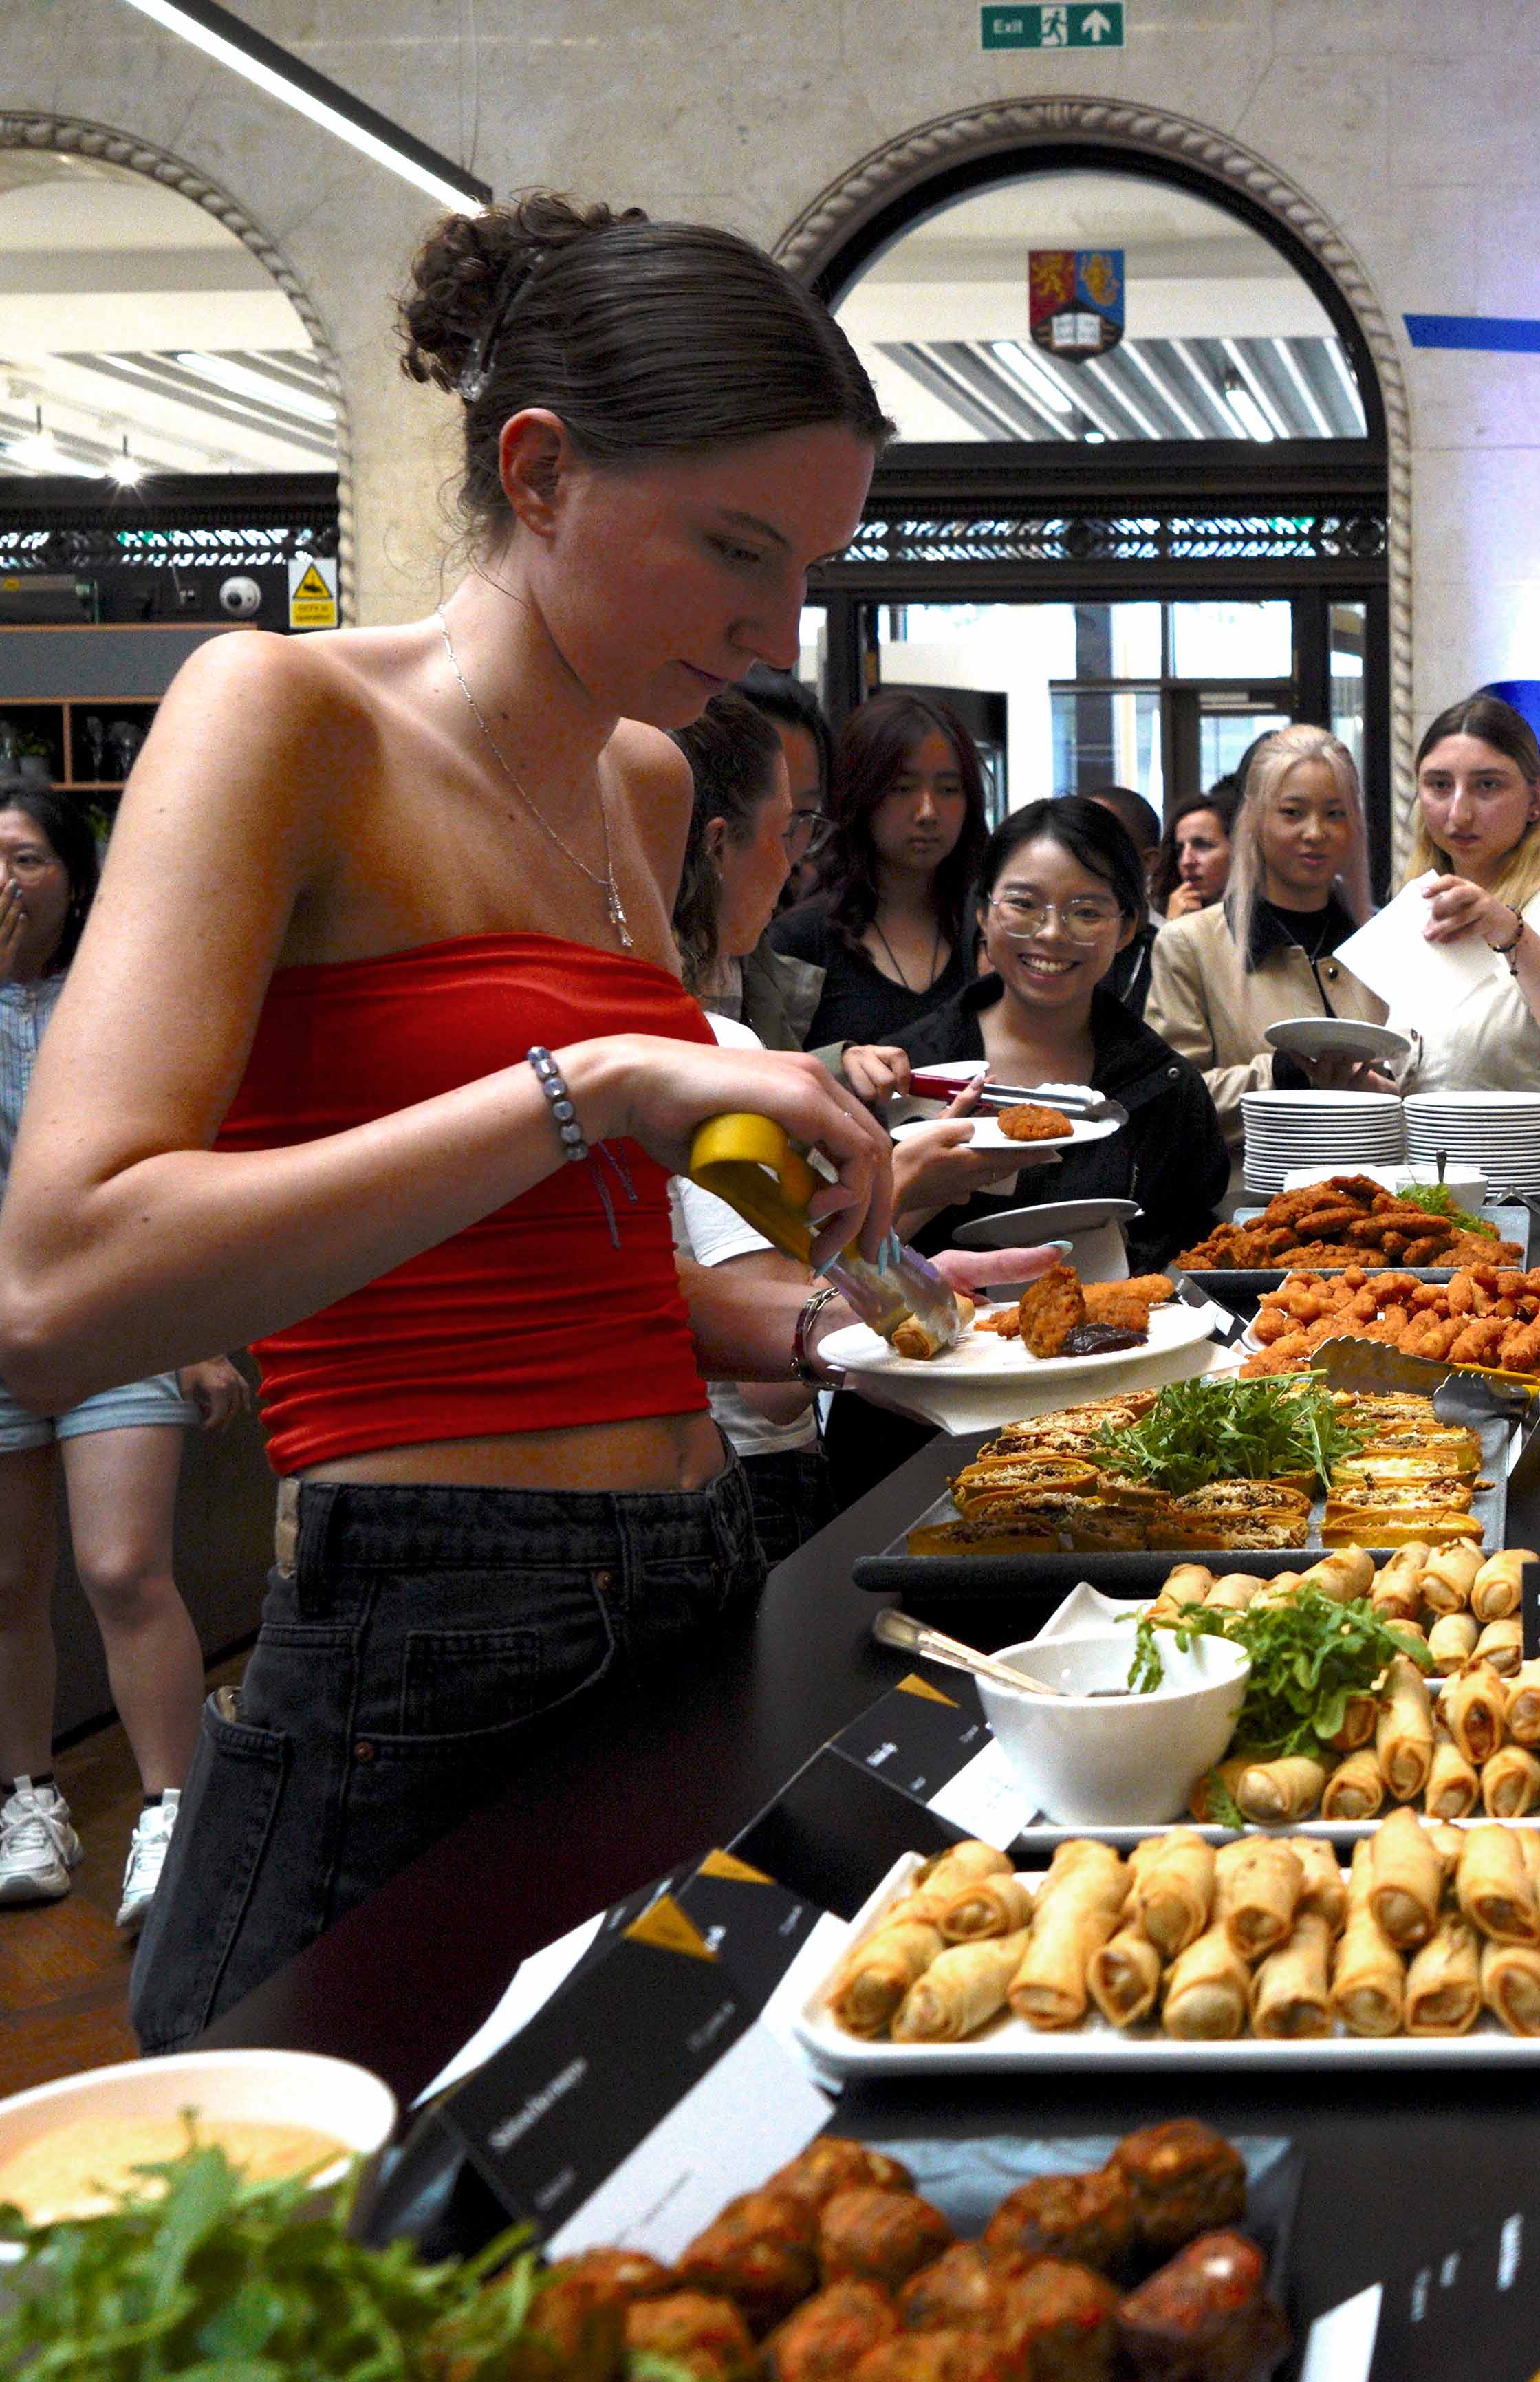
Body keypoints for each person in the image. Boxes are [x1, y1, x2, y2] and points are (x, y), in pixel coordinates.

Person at [0, 192, 1032, 2046]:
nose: (775, 618)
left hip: (690, 1578)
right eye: (733, 546)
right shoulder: (285, 712)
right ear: (538, 472)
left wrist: (844, 1306)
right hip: (424, 1632)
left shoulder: (640, 780)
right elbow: (63, 1281)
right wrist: (601, 1083)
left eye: (809, 564)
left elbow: (587, 1277)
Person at [660, 690, 1025, 1564]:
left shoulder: (661, 1035)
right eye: (790, 832)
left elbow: (782, 1269)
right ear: (718, 845)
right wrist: (896, 1220)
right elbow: (772, 1382)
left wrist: (901, 1274)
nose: (796, 864)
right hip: (740, 1483)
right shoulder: (709, 1048)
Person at [824, 798, 1228, 1504]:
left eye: (1085, 911)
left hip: (1111, 1430)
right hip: (915, 1434)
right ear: (982, 913)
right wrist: (917, 1189)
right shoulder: (906, 1071)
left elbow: (1188, 1271)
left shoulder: (1162, 1086)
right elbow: (831, 1270)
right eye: (1024, 904)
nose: (1051, 934)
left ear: (1128, 927)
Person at [0, 790, 245, 1931]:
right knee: (7, 1584)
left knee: (122, 1564)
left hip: (118, 1310)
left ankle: (176, 1807)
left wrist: (195, 1327)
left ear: (73, 875)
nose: (3, 879)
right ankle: (28, 1797)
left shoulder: (122, 996)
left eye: (24, 856)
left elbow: (166, 1165)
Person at [1378, 693, 1540, 1111]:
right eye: (1440, 785)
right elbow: (1437, 1080)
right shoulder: (1415, 906)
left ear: (1535, 798)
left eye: (1487, 785)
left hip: (1529, 1173)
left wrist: (1509, 930)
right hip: (1427, 1171)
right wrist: (1367, 1089)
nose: (1459, 813)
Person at [1145, 723, 1390, 1143]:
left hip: (1386, 1193)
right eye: (1292, 813)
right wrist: (1280, 1073)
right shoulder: (1192, 943)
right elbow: (1169, 1094)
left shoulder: (1386, 938)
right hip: (1254, 1198)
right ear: (1255, 820)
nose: (1315, 833)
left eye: (1335, 813)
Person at [758, 690, 985, 1048]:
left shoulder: (989, 931)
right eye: (902, 788)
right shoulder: (800, 941)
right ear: (861, 792)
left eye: (949, 789)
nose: (928, 812)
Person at [729, 669, 835, 1047]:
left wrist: (841, 1067)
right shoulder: (643, 940)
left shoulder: (752, 952)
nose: (785, 854)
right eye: (773, 816)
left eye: (802, 817)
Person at [1083, 784, 1165, 1010]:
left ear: (1147, 861)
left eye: (1101, 843)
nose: (1084, 856)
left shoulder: (1168, 953)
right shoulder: (1057, 942)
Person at [1160, 774, 1239, 919]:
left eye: (1202, 846)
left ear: (1238, 850)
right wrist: (1175, 929)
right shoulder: (1177, 913)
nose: (1186, 861)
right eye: (1179, 850)